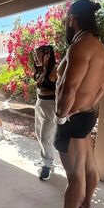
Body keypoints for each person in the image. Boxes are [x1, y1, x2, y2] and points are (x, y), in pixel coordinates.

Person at [33, 0, 104, 208]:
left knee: (75, 175)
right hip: (87, 115)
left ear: (72, 19)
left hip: (71, 119)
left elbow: (68, 88)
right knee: (88, 165)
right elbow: (102, 88)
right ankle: (86, 204)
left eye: (68, 19)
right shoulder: (102, 50)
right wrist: (86, 107)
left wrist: (60, 117)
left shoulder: (79, 47)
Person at [33, 45, 58, 180]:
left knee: (45, 137)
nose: (36, 57)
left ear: (47, 54)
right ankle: (45, 160)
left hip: (50, 107)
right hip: (40, 104)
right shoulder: (41, 69)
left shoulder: (55, 69)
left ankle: (48, 165)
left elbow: (60, 91)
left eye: (38, 54)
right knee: (39, 134)